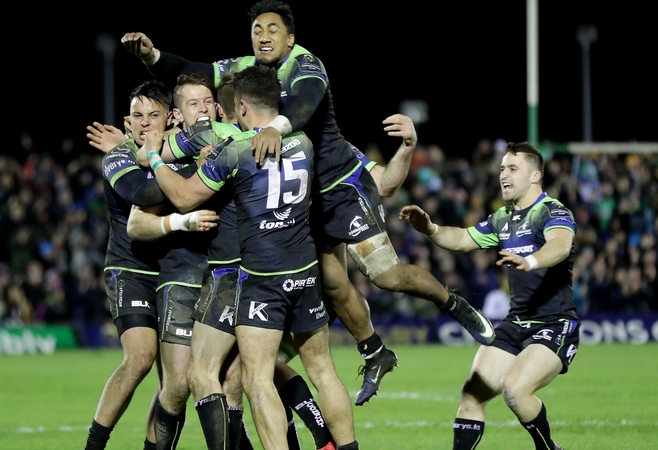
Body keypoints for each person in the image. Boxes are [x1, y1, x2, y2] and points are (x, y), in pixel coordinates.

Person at [122, 0, 495, 406]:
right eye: (257, 30)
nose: (263, 36)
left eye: (272, 29)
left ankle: (451, 301)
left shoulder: (307, 65)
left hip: (339, 188)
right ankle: (373, 352)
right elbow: (194, 70)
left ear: (291, 37)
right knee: (333, 283)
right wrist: (152, 57)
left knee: (385, 275)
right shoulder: (248, 68)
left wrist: (275, 129)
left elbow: (302, 105)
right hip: (304, 196)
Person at [142, 65, 358, 450]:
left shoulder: (234, 151)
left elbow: (185, 196)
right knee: (323, 370)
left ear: (239, 106)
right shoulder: (303, 142)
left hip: (259, 275)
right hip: (305, 271)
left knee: (254, 377)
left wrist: (155, 158)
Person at [399, 142, 578, 450]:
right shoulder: (503, 218)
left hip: (554, 322)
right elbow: (463, 238)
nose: (503, 175)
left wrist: (530, 260)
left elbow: (560, 245)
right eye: (501, 169)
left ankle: (548, 448)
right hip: (515, 322)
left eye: (512, 168)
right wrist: (430, 228)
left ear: (535, 176)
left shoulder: (552, 211)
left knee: (514, 389)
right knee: (472, 394)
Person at [83, 80, 213, 450]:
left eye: (153, 115)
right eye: (137, 116)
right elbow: (142, 193)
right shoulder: (118, 156)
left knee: (176, 379)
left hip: (171, 271)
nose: (144, 123)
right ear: (127, 122)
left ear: (170, 118)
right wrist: (193, 174)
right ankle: (94, 446)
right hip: (131, 268)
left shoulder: (178, 152)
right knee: (140, 357)